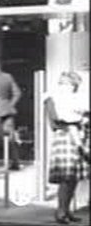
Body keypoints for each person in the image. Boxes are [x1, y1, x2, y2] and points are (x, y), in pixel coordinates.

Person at [43, 71, 89, 224]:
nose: (70, 87)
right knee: (66, 177)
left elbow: (83, 115)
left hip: (77, 136)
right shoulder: (52, 98)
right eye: (67, 84)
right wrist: (77, 120)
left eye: (72, 85)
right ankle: (61, 211)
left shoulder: (74, 98)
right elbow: (56, 120)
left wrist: (82, 119)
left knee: (73, 178)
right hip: (65, 136)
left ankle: (67, 210)